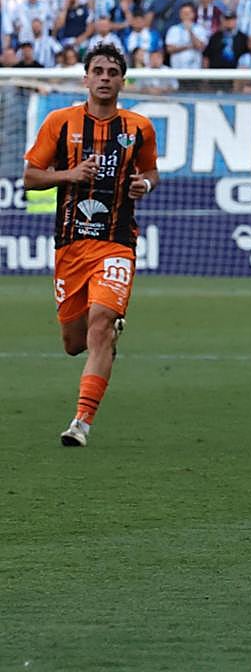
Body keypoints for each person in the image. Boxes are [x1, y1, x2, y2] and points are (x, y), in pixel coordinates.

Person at [22, 44, 159, 447]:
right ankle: (107, 339)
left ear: (122, 81)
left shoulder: (139, 128)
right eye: (97, 71)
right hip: (70, 246)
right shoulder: (60, 122)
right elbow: (31, 177)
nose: (104, 78)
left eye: (112, 72)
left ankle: (80, 422)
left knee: (100, 323)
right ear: (85, 78)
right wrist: (69, 174)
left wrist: (145, 184)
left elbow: (151, 171)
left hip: (117, 243)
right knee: (74, 343)